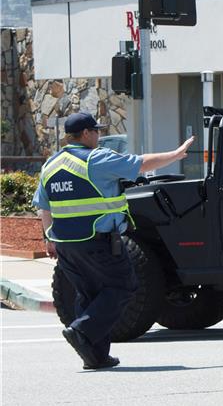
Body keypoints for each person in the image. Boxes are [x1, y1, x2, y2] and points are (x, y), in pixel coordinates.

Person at [32, 112, 194, 370]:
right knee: (123, 286)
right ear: (85, 134)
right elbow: (139, 164)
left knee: (89, 294)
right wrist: (175, 155)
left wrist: (48, 239)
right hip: (96, 241)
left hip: (65, 244)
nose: (99, 135)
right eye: (96, 131)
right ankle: (82, 330)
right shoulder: (95, 159)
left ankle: (95, 357)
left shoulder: (50, 164)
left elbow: (44, 207)